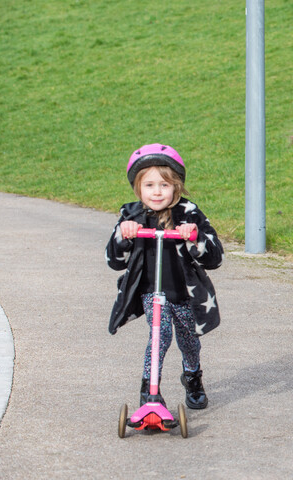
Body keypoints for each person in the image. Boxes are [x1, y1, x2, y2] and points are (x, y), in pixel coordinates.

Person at [107, 143, 223, 410]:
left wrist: (194, 237)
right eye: (149, 185)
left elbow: (215, 257)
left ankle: (192, 376)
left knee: (189, 341)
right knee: (160, 336)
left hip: (184, 293)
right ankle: (149, 391)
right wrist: (123, 235)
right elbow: (114, 261)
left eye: (164, 185)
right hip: (151, 292)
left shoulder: (188, 212)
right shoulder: (131, 214)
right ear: (138, 188)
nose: (157, 192)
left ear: (176, 186)